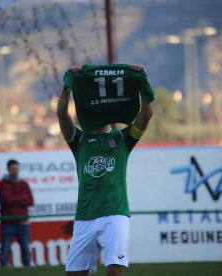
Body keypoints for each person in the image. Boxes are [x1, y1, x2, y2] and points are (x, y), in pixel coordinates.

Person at [57, 64, 154, 276]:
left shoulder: (123, 139)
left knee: (114, 272)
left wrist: (142, 80)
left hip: (115, 215)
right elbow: (61, 114)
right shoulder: (80, 141)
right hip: (85, 216)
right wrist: (67, 86)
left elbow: (146, 113)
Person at [0, 159, 34, 267]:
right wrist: (21, 198)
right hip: (7, 222)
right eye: (13, 169)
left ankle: (27, 270)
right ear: (8, 169)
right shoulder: (3, 184)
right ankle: (3, 269)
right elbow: (6, 200)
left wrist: (15, 199)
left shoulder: (24, 184)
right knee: (5, 249)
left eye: (17, 169)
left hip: (23, 222)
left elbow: (30, 201)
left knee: (26, 250)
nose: (16, 171)